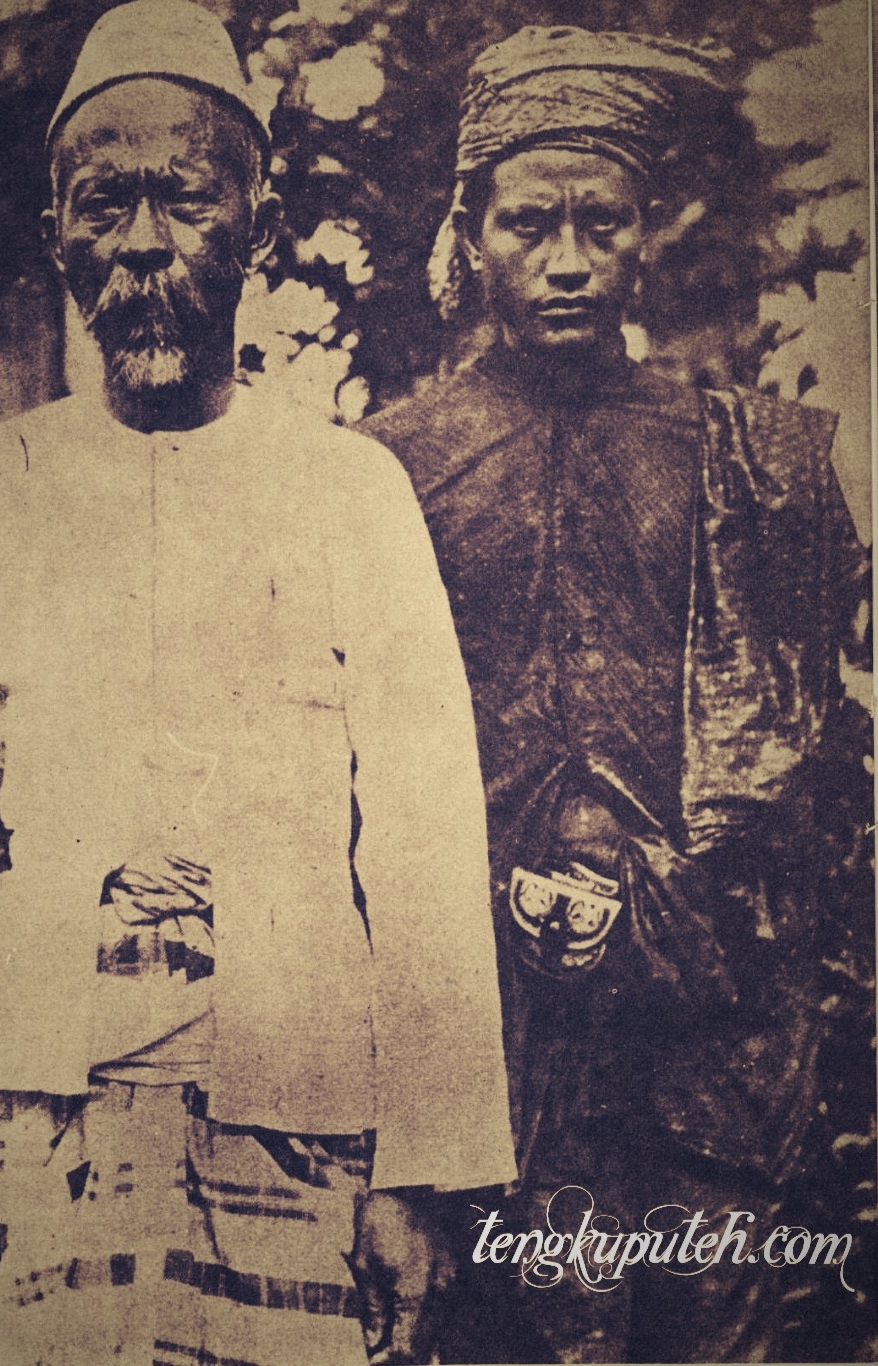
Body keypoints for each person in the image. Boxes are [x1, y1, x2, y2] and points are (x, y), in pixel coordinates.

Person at [0, 4, 516, 1363]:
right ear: (57, 233)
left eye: (187, 201)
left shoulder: (353, 494)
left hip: (304, 1120)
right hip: (43, 1128)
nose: (144, 243)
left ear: (257, 231)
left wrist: (420, 1171)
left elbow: (423, 847)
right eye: (105, 206)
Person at [361, 25, 869, 1364]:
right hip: (486, 1042)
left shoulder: (741, 461)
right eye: (531, 223)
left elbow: (808, 763)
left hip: (709, 1040)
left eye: (603, 222)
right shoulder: (384, 469)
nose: (571, 259)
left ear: (647, 233)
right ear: (472, 232)